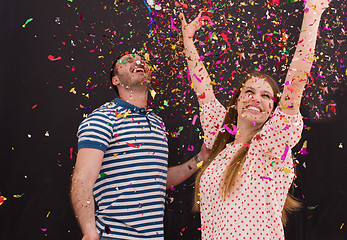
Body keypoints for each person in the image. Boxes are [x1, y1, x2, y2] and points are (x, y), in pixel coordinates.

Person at [179, 0, 330, 239]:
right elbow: (203, 88)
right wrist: (188, 40)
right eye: (249, 92)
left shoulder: (272, 143)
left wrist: (313, 12)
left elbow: (297, 79)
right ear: (237, 101)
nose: (255, 98)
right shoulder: (221, 136)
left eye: (266, 95)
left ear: (273, 110)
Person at [70, 52, 210, 240]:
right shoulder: (102, 118)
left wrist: (200, 159)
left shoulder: (157, 123)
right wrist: (89, 232)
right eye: (127, 61)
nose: (138, 61)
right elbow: (82, 179)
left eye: (142, 60)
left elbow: (157, 179)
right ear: (115, 80)